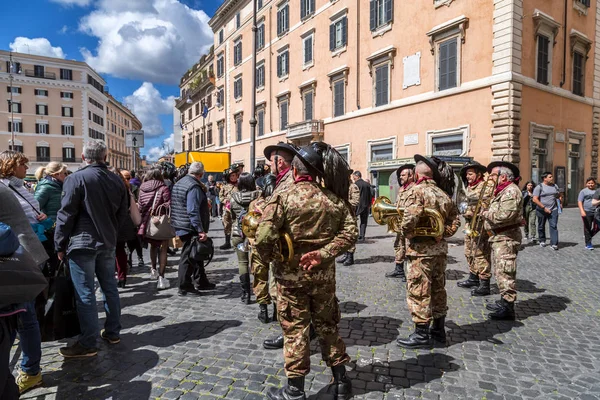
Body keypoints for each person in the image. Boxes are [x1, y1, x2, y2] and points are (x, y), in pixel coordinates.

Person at [255, 142, 356, 400]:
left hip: (290, 280)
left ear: (295, 172)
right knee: (328, 326)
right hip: (323, 278)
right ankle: (342, 381)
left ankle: (295, 390)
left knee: (295, 331)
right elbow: (351, 234)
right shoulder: (333, 199)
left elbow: (264, 236)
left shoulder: (283, 197)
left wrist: (272, 259)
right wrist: (323, 254)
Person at [54, 139, 127, 357]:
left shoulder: (76, 178)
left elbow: (66, 214)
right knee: (109, 287)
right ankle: (113, 332)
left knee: (85, 292)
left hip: (82, 242)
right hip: (107, 240)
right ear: (105, 157)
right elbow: (122, 213)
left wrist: (59, 243)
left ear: (84, 157)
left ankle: (88, 343)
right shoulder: (116, 179)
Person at [395, 155, 460, 349]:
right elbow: (455, 219)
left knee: (419, 290)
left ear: (416, 173)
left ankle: (421, 334)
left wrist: (405, 232)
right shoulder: (442, 193)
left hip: (420, 250)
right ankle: (438, 331)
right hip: (439, 251)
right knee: (438, 289)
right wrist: (442, 233)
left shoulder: (416, 191)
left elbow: (409, 219)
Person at [0, 151, 49, 393]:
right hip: (23, 252)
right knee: (25, 316)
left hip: (16, 257)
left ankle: (30, 371)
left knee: (23, 316)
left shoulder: (5, 186)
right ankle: (30, 369)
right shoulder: (8, 186)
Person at [259, 142, 299, 350]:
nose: (268, 165)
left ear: (280, 162)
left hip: (288, 251)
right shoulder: (282, 181)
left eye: (271, 160)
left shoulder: (288, 183)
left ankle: (290, 334)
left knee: (282, 294)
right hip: (285, 249)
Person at [481, 161, 523, 320]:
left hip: (506, 237)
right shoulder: (502, 190)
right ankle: (503, 301)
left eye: (493, 175)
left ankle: (508, 308)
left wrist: (486, 214)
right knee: (500, 271)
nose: (490, 178)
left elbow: (504, 215)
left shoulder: (511, 191)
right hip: (499, 237)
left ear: (503, 177)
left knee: (505, 272)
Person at [171, 162, 213, 296]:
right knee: (188, 256)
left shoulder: (181, 182)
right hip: (188, 225)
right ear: (201, 175)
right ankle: (184, 286)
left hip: (181, 222)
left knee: (197, 253)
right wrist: (200, 230)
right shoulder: (193, 186)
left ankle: (201, 280)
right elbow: (192, 210)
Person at [456, 161, 493, 296]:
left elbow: (485, 203)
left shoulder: (486, 186)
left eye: (470, 174)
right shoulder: (470, 187)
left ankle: (484, 283)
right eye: (466, 174)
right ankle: (473, 277)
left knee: (481, 253)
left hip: (480, 225)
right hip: (470, 224)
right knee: (469, 252)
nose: (468, 177)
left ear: (478, 174)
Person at [248, 174, 278, 323]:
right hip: (277, 246)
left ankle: (263, 310)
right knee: (276, 278)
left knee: (260, 277)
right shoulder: (279, 201)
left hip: (258, 246)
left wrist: (252, 241)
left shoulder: (255, 204)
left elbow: (249, 226)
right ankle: (277, 311)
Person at [137, 168, 171, 290]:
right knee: (164, 248)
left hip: (147, 222)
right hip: (160, 221)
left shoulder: (142, 188)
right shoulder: (163, 188)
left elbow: (140, 206)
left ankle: (153, 270)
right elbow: (168, 204)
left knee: (153, 246)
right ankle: (161, 278)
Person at [230, 173, 261, 305]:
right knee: (259, 264)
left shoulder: (233, 198)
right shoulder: (259, 197)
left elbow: (230, 216)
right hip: (256, 235)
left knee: (242, 263)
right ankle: (261, 293)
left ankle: (246, 293)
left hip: (238, 233)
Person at [109, 167, 139, 288]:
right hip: (123, 222)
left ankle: (115, 274)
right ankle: (122, 276)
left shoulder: (108, 188)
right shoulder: (125, 187)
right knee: (120, 250)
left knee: (111, 251)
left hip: (112, 222)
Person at [385, 164, 415, 280]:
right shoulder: (402, 188)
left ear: (411, 175)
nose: (400, 177)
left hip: (409, 224)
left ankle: (411, 273)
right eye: (400, 175)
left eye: (403, 175)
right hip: (400, 223)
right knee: (398, 246)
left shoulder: (414, 188)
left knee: (409, 248)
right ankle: (399, 269)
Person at [120, 169, 145, 269]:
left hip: (133, 218)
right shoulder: (119, 189)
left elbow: (140, 200)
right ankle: (128, 260)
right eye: (124, 178)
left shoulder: (134, 188)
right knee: (124, 243)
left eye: (128, 178)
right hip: (124, 219)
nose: (126, 180)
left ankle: (140, 257)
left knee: (136, 240)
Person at [532, 172, 563, 250]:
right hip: (542, 210)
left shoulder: (555, 186)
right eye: (550, 177)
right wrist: (544, 208)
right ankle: (542, 240)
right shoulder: (539, 187)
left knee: (554, 226)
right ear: (544, 178)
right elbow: (535, 199)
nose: (552, 178)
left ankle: (554, 243)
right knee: (541, 225)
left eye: (552, 177)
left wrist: (560, 203)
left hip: (553, 209)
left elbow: (558, 195)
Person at [336, 177, 360, 266]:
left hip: (350, 215)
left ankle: (350, 257)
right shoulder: (342, 187)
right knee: (343, 235)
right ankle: (346, 254)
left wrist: (343, 204)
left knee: (350, 235)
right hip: (342, 215)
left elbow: (355, 202)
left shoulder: (353, 187)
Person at [219, 165, 241, 250]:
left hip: (237, 208)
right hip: (227, 209)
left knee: (237, 224)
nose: (232, 177)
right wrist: (225, 201)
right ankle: (227, 242)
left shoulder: (240, 185)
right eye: (231, 176)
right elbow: (220, 196)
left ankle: (238, 242)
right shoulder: (225, 186)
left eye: (234, 175)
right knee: (226, 224)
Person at [352, 171, 372, 243]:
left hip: (357, 205)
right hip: (366, 205)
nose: (353, 178)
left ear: (357, 176)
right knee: (364, 222)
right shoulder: (367, 184)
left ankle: (354, 235)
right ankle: (362, 236)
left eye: (354, 177)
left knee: (353, 220)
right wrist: (369, 204)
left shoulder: (355, 184)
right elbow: (370, 195)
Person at [578, 177, 598, 250]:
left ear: (595, 184)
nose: (590, 184)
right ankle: (588, 244)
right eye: (589, 183)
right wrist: (582, 211)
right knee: (587, 227)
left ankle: (588, 236)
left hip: (596, 211)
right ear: (586, 184)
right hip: (587, 211)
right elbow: (580, 201)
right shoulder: (583, 191)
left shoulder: (597, 192)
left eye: (592, 183)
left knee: (597, 226)